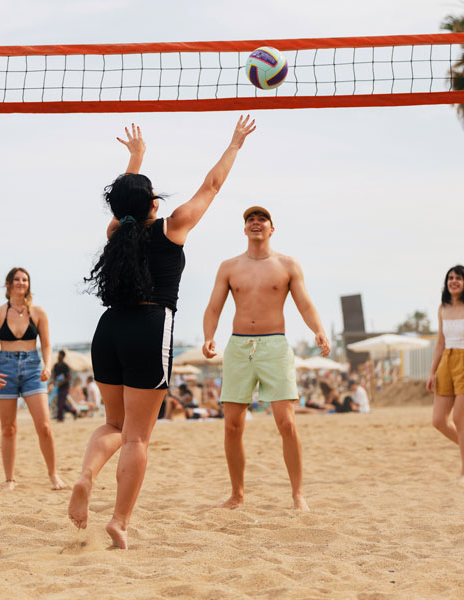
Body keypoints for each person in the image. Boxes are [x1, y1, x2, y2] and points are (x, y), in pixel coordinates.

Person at [68, 117, 256, 549]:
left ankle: (84, 476)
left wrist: (135, 158)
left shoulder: (116, 232)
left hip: (109, 328)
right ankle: (118, 521)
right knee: (137, 437)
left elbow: (127, 205)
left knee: (113, 424)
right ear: (153, 202)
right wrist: (234, 144)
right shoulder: (173, 227)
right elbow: (212, 185)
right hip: (150, 328)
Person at [202, 205, 330, 511]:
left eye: (262, 219)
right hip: (238, 346)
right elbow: (214, 307)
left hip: (274, 345)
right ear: (244, 230)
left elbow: (305, 304)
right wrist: (209, 336)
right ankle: (237, 493)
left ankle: (298, 494)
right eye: (250, 220)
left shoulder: (287, 265)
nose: (256, 223)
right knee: (232, 425)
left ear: (272, 229)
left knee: (286, 422)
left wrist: (319, 331)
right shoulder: (229, 267)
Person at [0, 267, 66, 491]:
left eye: (25, 279)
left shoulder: (38, 313)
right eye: (17, 279)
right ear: (8, 284)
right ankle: (9, 479)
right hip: (5, 368)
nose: (21, 283)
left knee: (45, 426)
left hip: (33, 368)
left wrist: (47, 366)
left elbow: (47, 345)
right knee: (8, 428)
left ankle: (54, 475)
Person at [426, 265, 464, 483]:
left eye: (458, 278)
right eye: (450, 278)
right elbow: (440, 343)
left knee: (459, 419)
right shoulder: (442, 308)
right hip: (446, 363)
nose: (453, 281)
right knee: (438, 420)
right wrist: (432, 372)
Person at [51, 350, 73, 422]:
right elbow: (54, 375)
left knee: (61, 402)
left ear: (63, 356)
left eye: (60, 355)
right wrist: (54, 382)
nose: (58, 356)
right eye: (58, 355)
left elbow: (69, 377)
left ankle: (60, 418)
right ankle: (73, 411)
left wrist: (62, 383)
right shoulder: (56, 366)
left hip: (65, 387)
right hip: (58, 386)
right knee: (61, 402)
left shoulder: (65, 366)